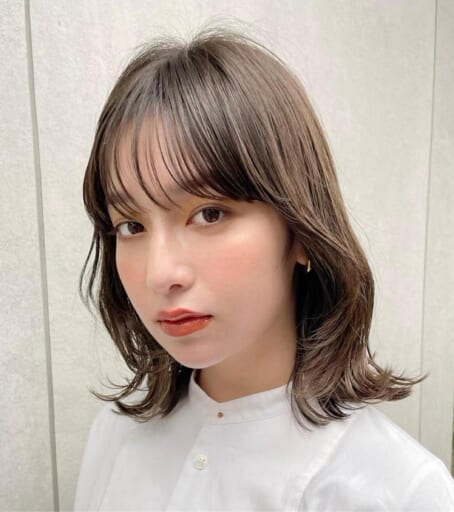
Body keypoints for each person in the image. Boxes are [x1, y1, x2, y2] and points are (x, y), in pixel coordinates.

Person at [74, 24, 454, 511]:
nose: (160, 274)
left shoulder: (399, 491)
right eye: (131, 226)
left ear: (301, 231)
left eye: (209, 214)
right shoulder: (114, 436)